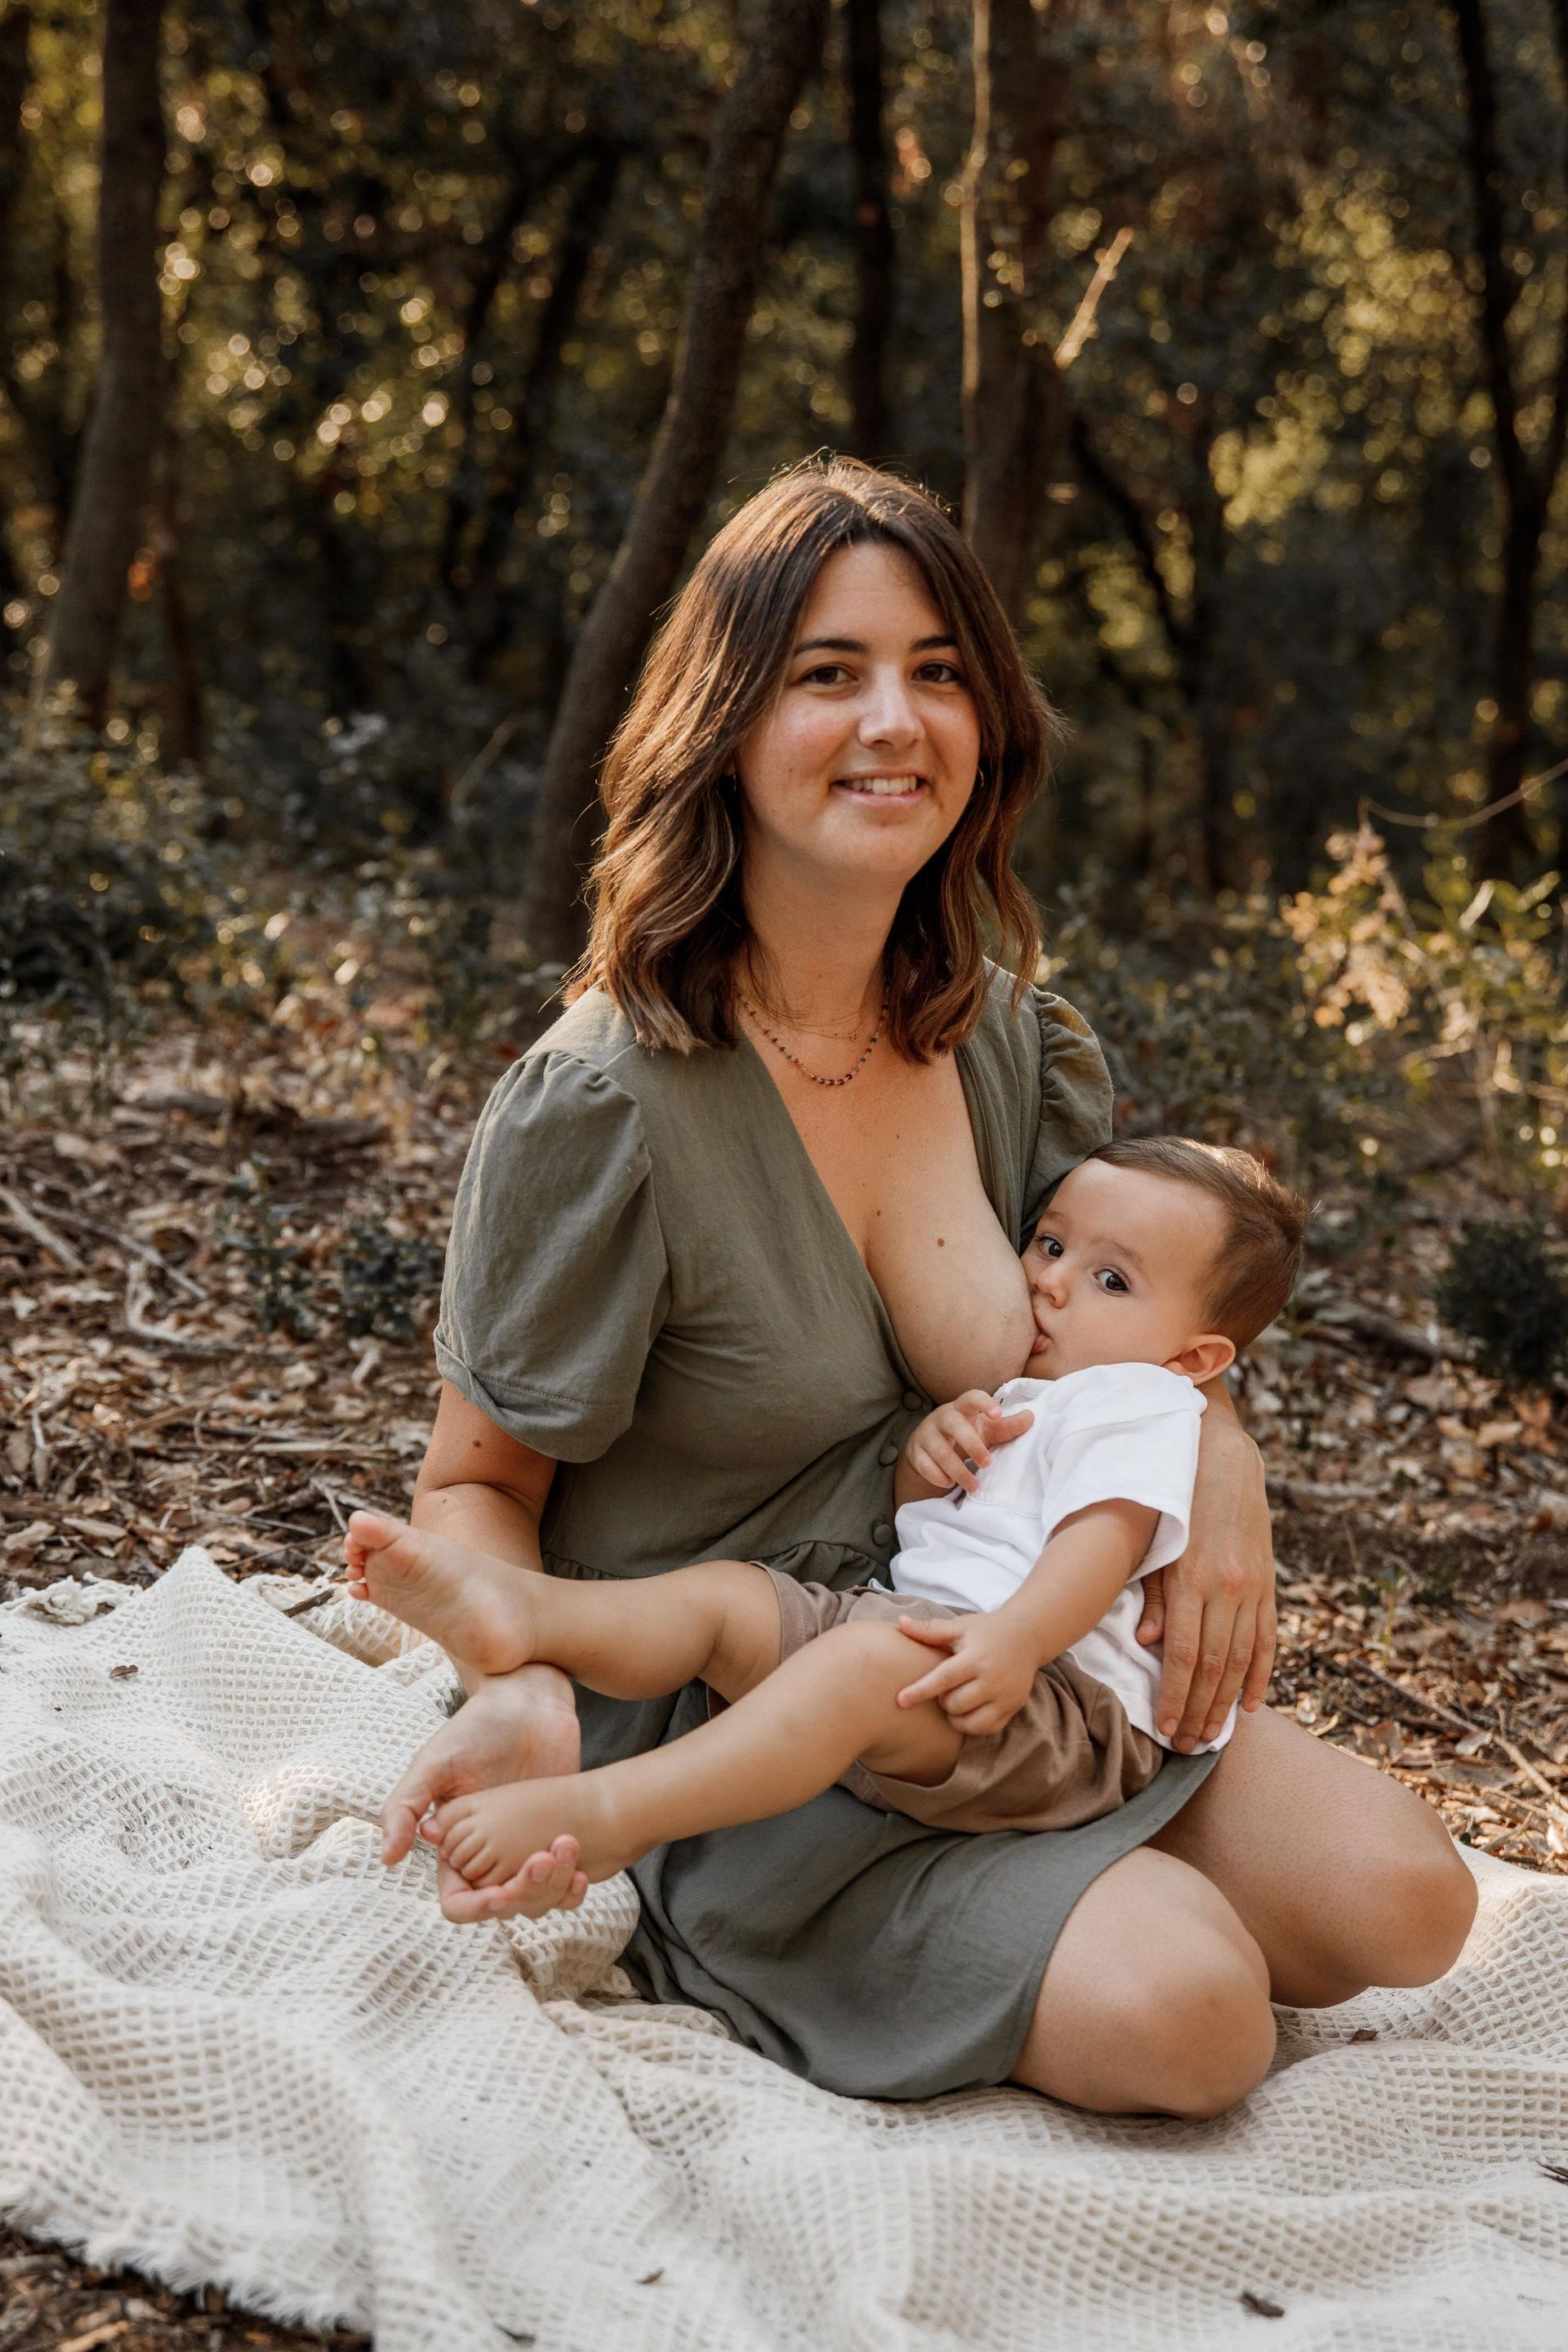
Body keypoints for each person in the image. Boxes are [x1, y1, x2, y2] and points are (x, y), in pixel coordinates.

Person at [390, 457, 1475, 2117]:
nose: (895, 722)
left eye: (939, 671)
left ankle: (1056, 1887)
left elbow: (1135, 1315)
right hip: (738, 1709)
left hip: (1003, 1660)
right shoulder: (605, 1103)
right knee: (1195, 2018)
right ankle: (882, 1921)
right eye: (829, 674)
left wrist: (1223, 1456)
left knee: (1410, 1902)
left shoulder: (1005, 1042)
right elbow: (474, 1484)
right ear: (724, 726)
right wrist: (524, 1693)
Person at [344, 1138, 1307, 1886]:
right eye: (1051, 1245)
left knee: (853, 1669)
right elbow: (937, 1521)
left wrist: (1017, 1640)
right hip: (926, 1637)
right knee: (728, 1600)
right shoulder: (1036, 1394)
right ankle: (526, 1613)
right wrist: (929, 1459)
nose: (1049, 1279)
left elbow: (1102, 1542)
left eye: (1111, 1280)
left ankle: (609, 1817)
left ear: (1195, 1361)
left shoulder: (1141, 1402)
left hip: (1055, 1704)